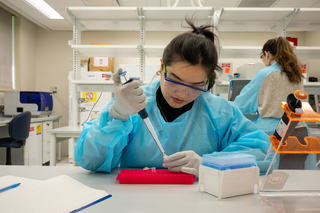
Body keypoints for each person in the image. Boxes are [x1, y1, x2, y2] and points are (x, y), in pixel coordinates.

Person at [74, 19, 274, 176]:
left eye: (196, 86)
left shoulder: (220, 111)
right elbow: (90, 161)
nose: (182, 93)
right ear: (162, 67)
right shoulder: (132, 103)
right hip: (134, 201)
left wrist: (210, 163)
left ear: (208, 80)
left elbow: (263, 153)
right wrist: (117, 114)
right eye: (175, 80)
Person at [233, 37, 317, 170]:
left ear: (267, 54)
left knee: (270, 179)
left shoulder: (264, 74)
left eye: (263, 56)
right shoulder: (296, 75)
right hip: (300, 131)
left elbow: (240, 104)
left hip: (272, 132)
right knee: (295, 178)